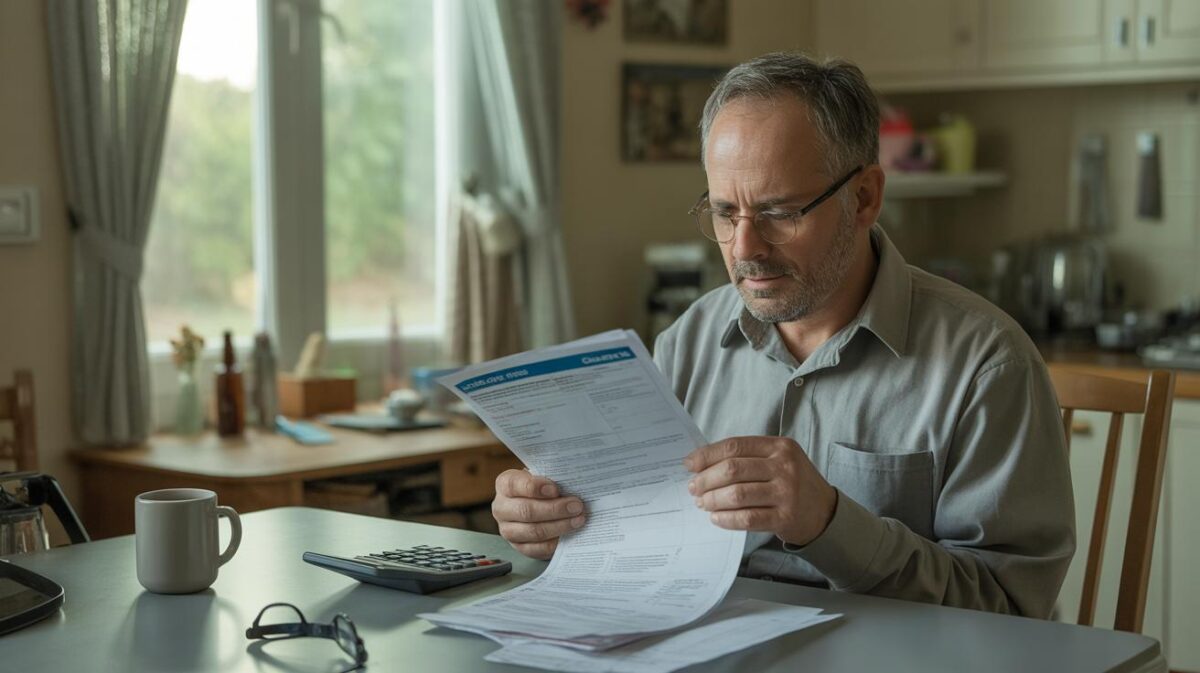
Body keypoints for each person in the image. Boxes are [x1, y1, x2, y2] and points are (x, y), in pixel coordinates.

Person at [490, 52, 1075, 619]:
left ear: (865, 197)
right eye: (725, 214)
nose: (744, 249)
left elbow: (1010, 609)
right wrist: (562, 523)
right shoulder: (689, 341)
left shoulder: (988, 365)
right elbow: (649, 539)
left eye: (779, 211)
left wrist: (828, 522)